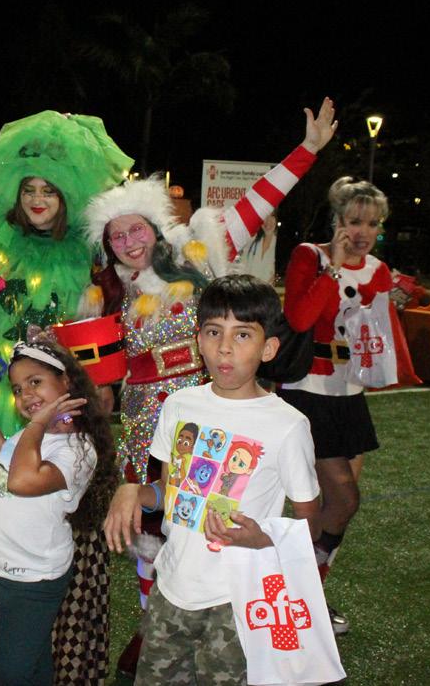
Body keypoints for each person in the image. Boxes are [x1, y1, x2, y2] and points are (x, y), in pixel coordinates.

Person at [81, 98, 336, 673]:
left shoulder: (199, 252)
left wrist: (307, 150)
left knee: (223, 512)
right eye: (117, 236)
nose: (129, 242)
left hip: (215, 406)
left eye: (136, 228)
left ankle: (237, 608)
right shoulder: (105, 289)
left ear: (156, 227)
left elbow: (256, 201)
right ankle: (153, 621)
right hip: (149, 414)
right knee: (154, 524)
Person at [104, 275, 321, 684]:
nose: (224, 347)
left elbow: (311, 524)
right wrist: (133, 491)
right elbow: (171, 491)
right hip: (172, 588)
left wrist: (262, 537)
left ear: (268, 348)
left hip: (237, 600)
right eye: (213, 332)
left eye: (243, 335)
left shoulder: (288, 425)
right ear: (198, 341)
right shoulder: (178, 405)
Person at [0, 110, 132, 442]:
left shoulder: (87, 250)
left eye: (48, 190)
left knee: (60, 464)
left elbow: (96, 321)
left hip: (65, 383)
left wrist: (103, 382)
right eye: (29, 190)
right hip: (2, 382)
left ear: (65, 195)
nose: (37, 200)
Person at [276, 176, 393, 635]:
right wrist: (335, 268)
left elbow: (376, 333)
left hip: (350, 393)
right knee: (343, 497)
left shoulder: (379, 270)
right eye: (354, 221)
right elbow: (299, 317)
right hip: (308, 390)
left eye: (372, 223)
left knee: (336, 509)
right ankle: (298, 596)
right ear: (337, 220)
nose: (363, 232)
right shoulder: (310, 256)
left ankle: (305, 597)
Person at [0, 340, 116, 686]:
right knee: (33, 662)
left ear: (66, 381)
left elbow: (23, 480)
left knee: (11, 674)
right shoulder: (36, 433)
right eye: (17, 389)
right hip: (4, 566)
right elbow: (18, 460)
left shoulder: (78, 448)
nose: (25, 395)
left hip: (32, 577)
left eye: (35, 382)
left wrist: (36, 424)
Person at [230, 213, 277, 284]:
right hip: (248, 287)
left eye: (272, 216)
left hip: (267, 288)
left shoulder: (278, 244)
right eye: (265, 216)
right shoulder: (251, 240)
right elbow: (239, 262)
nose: (268, 220)